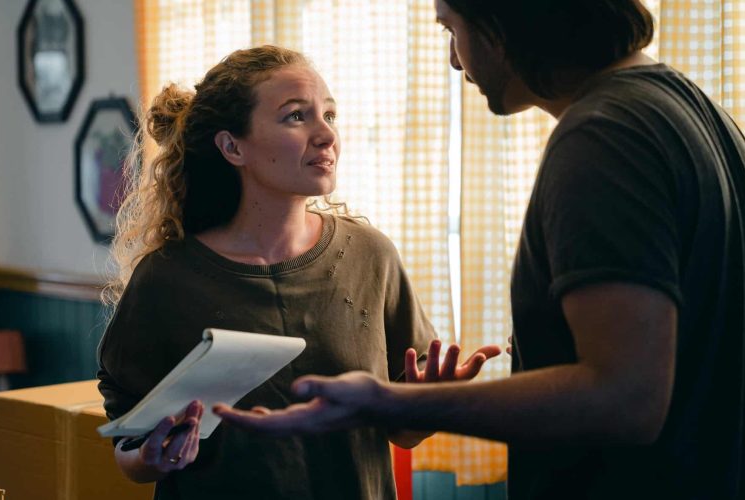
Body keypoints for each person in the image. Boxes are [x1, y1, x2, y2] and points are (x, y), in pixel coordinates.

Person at [216, 2, 745, 499]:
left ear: (503, 23)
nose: (456, 61)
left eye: (453, 30)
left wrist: (385, 402)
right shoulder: (696, 112)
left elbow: (626, 400)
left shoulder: (604, 136)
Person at [96, 45, 499, 500]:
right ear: (232, 146)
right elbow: (129, 447)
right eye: (296, 117)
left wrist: (429, 401)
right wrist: (150, 458)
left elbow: (401, 433)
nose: (326, 134)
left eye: (330, 114)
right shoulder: (167, 278)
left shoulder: (371, 256)